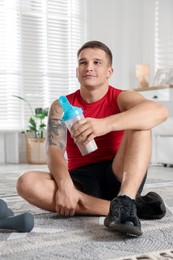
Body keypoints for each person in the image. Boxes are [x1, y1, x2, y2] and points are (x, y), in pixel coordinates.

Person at [16, 41, 168, 236]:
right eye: (83, 62)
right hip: (80, 180)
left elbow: (159, 111)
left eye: (97, 62)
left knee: (141, 123)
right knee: (26, 182)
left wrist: (105, 124)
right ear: (77, 70)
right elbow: (54, 150)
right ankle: (128, 207)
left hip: (120, 174)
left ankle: (126, 198)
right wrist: (65, 185)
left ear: (109, 71)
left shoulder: (121, 97)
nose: (89, 67)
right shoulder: (62, 105)